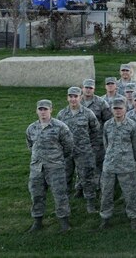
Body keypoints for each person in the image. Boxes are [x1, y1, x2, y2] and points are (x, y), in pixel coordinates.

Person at [26, 99, 74, 233]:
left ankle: (64, 222)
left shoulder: (60, 127)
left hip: (55, 167)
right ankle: (37, 221)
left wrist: (56, 159)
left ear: (51, 110)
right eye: (40, 109)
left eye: (45, 109)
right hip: (37, 168)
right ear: (36, 111)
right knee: (36, 195)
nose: (43, 112)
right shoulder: (31, 128)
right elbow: (30, 145)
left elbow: (68, 147)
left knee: (60, 195)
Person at [98, 97, 136, 231]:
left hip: (126, 165)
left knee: (130, 194)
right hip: (109, 165)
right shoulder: (107, 125)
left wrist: (130, 160)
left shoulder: (131, 125)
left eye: (120, 108)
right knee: (106, 193)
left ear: (125, 109)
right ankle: (105, 218)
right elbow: (106, 143)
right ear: (111, 109)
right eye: (115, 108)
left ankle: (133, 218)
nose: (117, 111)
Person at [56, 86, 100, 215]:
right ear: (67, 98)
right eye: (71, 96)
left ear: (80, 97)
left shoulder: (88, 113)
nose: (73, 99)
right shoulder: (62, 114)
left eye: (76, 96)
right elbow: (57, 133)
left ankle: (90, 204)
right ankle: (65, 204)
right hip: (67, 153)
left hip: (84, 151)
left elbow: (95, 131)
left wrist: (92, 148)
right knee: (65, 177)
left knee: (87, 177)